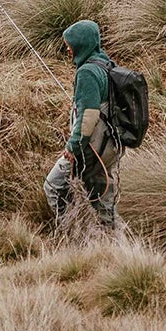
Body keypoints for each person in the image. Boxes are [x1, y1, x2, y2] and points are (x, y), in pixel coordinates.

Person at [43, 19, 123, 233]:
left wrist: (72, 148)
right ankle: (111, 241)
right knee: (103, 200)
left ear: (81, 44)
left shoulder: (87, 72)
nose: (68, 48)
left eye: (70, 44)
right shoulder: (105, 63)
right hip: (109, 146)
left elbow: (88, 117)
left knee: (53, 186)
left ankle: (71, 235)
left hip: (92, 148)